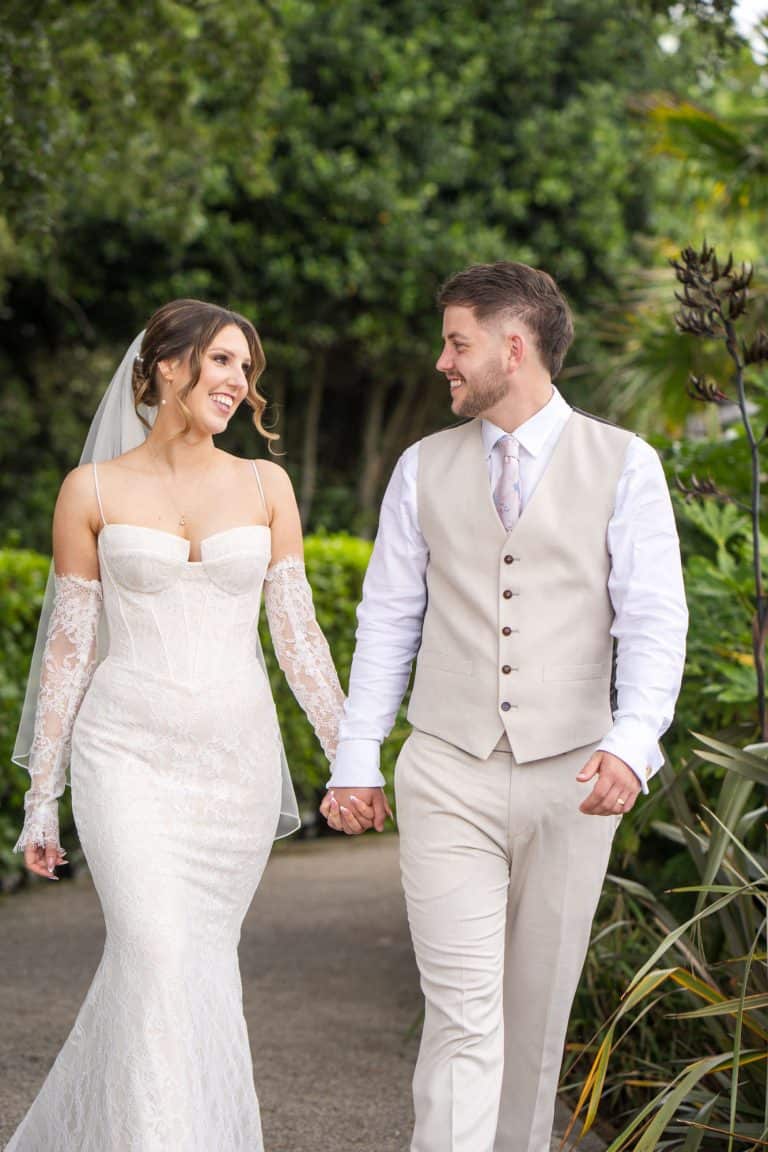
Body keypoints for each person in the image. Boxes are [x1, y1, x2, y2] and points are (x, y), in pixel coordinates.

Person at [321, 262, 688, 1152]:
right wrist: (357, 759)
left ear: (512, 347)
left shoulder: (625, 464)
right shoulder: (421, 467)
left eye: (457, 342)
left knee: (534, 1021)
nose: (442, 361)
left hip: (574, 775)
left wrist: (633, 745)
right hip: (448, 767)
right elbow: (388, 622)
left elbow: (652, 619)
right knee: (461, 1016)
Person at [6, 299, 345, 1151]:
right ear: (164, 366)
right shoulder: (90, 489)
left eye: (245, 369)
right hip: (125, 753)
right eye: (223, 362)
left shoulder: (268, 486)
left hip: (232, 765)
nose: (239, 383)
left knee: (194, 967)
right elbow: (69, 653)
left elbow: (299, 638)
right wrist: (42, 799)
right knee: (154, 951)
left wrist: (353, 758)